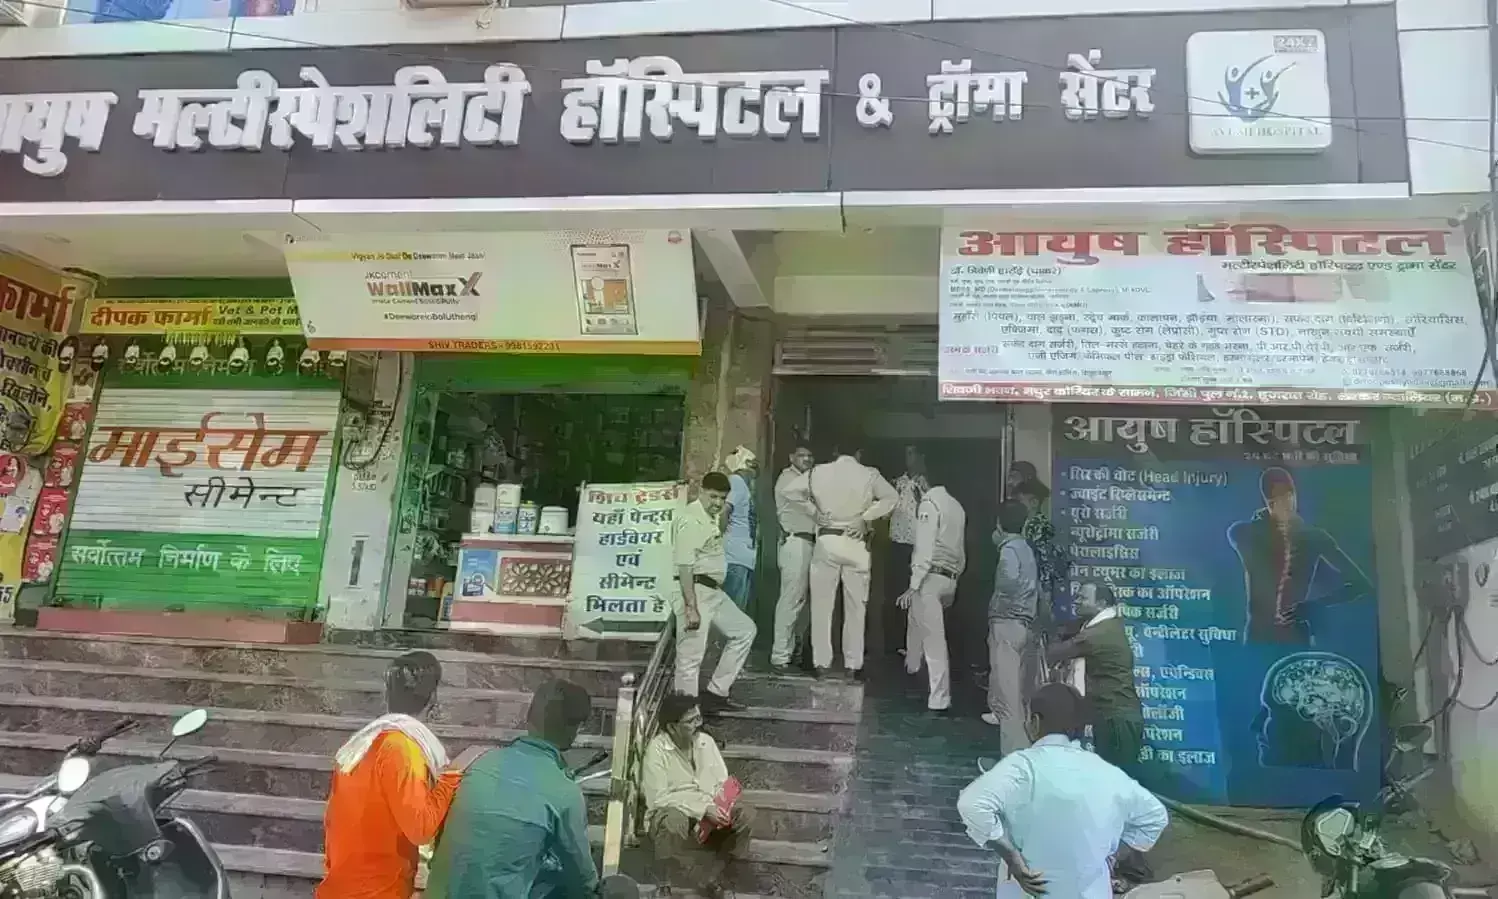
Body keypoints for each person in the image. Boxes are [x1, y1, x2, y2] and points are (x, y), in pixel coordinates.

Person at [958, 683, 1168, 899]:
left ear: (1035, 722)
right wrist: (1109, 853)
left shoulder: (1022, 766)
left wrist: (1011, 857)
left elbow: (971, 804)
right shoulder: (1105, 771)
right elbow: (1155, 816)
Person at [425, 679, 598, 899]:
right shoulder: (565, 793)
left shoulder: (475, 760)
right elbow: (583, 882)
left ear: (528, 716)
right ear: (575, 729)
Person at [317, 651, 465, 899]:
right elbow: (420, 828)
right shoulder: (401, 748)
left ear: (387, 695)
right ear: (433, 698)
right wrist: (450, 778)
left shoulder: (361, 745)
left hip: (342, 886)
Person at [1047, 580, 1153, 885]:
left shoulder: (1098, 635)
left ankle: (1130, 862)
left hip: (1117, 722)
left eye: (1084, 597)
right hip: (1118, 720)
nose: (1078, 600)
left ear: (1102, 603)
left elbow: (1054, 654)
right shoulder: (1108, 626)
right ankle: (1124, 860)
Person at [1227, 466, 1372, 644]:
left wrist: (1314, 606)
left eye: (1289, 496)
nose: (1286, 503)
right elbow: (1252, 546)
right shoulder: (1244, 533)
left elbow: (1361, 584)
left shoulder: (1314, 537)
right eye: (1277, 499)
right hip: (1258, 638)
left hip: (1296, 637)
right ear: (1267, 502)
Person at [642, 693, 757, 898]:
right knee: (672, 820)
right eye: (691, 721)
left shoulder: (706, 742)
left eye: (698, 718)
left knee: (746, 814)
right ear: (672, 727)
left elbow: (722, 782)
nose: (698, 724)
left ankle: (715, 876)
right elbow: (658, 799)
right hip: (676, 814)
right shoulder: (656, 751)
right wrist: (702, 810)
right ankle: (665, 882)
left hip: (709, 813)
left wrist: (722, 806)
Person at [806, 446, 898, 680]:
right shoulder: (869, 474)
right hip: (856, 543)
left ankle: (821, 662)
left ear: (835, 451)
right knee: (856, 607)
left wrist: (814, 513)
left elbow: (790, 492)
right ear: (858, 453)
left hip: (827, 540)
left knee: (821, 606)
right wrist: (865, 518)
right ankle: (853, 663)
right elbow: (892, 497)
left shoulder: (818, 471)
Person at [674, 471, 756, 714]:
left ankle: (716, 693)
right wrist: (690, 607)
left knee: (745, 630)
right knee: (690, 658)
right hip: (694, 589)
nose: (718, 503)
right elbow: (684, 566)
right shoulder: (690, 519)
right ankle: (685, 717)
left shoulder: (710, 518)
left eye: (722, 498)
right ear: (701, 491)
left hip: (713, 591)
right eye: (713, 496)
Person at [896, 467, 965, 714]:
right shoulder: (957, 506)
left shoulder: (929, 503)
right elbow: (962, 551)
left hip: (931, 577)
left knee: (934, 640)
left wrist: (913, 584)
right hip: (950, 576)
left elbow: (924, 547)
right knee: (915, 622)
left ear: (923, 481)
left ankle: (939, 698)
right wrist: (956, 581)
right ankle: (912, 668)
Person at [982, 501, 1038, 755]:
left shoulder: (1009, 550)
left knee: (1008, 700)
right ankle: (1023, 751)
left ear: (998, 524)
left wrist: (1001, 607)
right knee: (1019, 696)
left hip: (1007, 624)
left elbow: (1008, 582)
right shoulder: (1026, 549)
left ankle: (1012, 758)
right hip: (1024, 624)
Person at [770, 445, 816, 674]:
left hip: (809, 543)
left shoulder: (806, 479)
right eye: (801, 455)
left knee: (802, 602)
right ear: (791, 457)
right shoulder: (788, 478)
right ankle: (780, 655)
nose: (806, 459)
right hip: (795, 541)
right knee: (790, 599)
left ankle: (795, 652)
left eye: (809, 456)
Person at [886, 445, 929, 657]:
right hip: (897, 544)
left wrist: (922, 493)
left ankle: (915, 642)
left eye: (912, 453)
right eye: (906, 453)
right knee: (896, 591)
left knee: (917, 592)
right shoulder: (897, 482)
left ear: (921, 456)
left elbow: (930, 511)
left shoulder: (926, 484)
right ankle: (897, 641)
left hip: (918, 545)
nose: (908, 458)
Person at [722, 447, 759, 612]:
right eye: (751, 465)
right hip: (734, 554)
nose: (753, 471)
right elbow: (725, 511)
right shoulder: (736, 481)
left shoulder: (744, 486)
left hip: (743, 556)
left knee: (737, 608)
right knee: (733, 609)